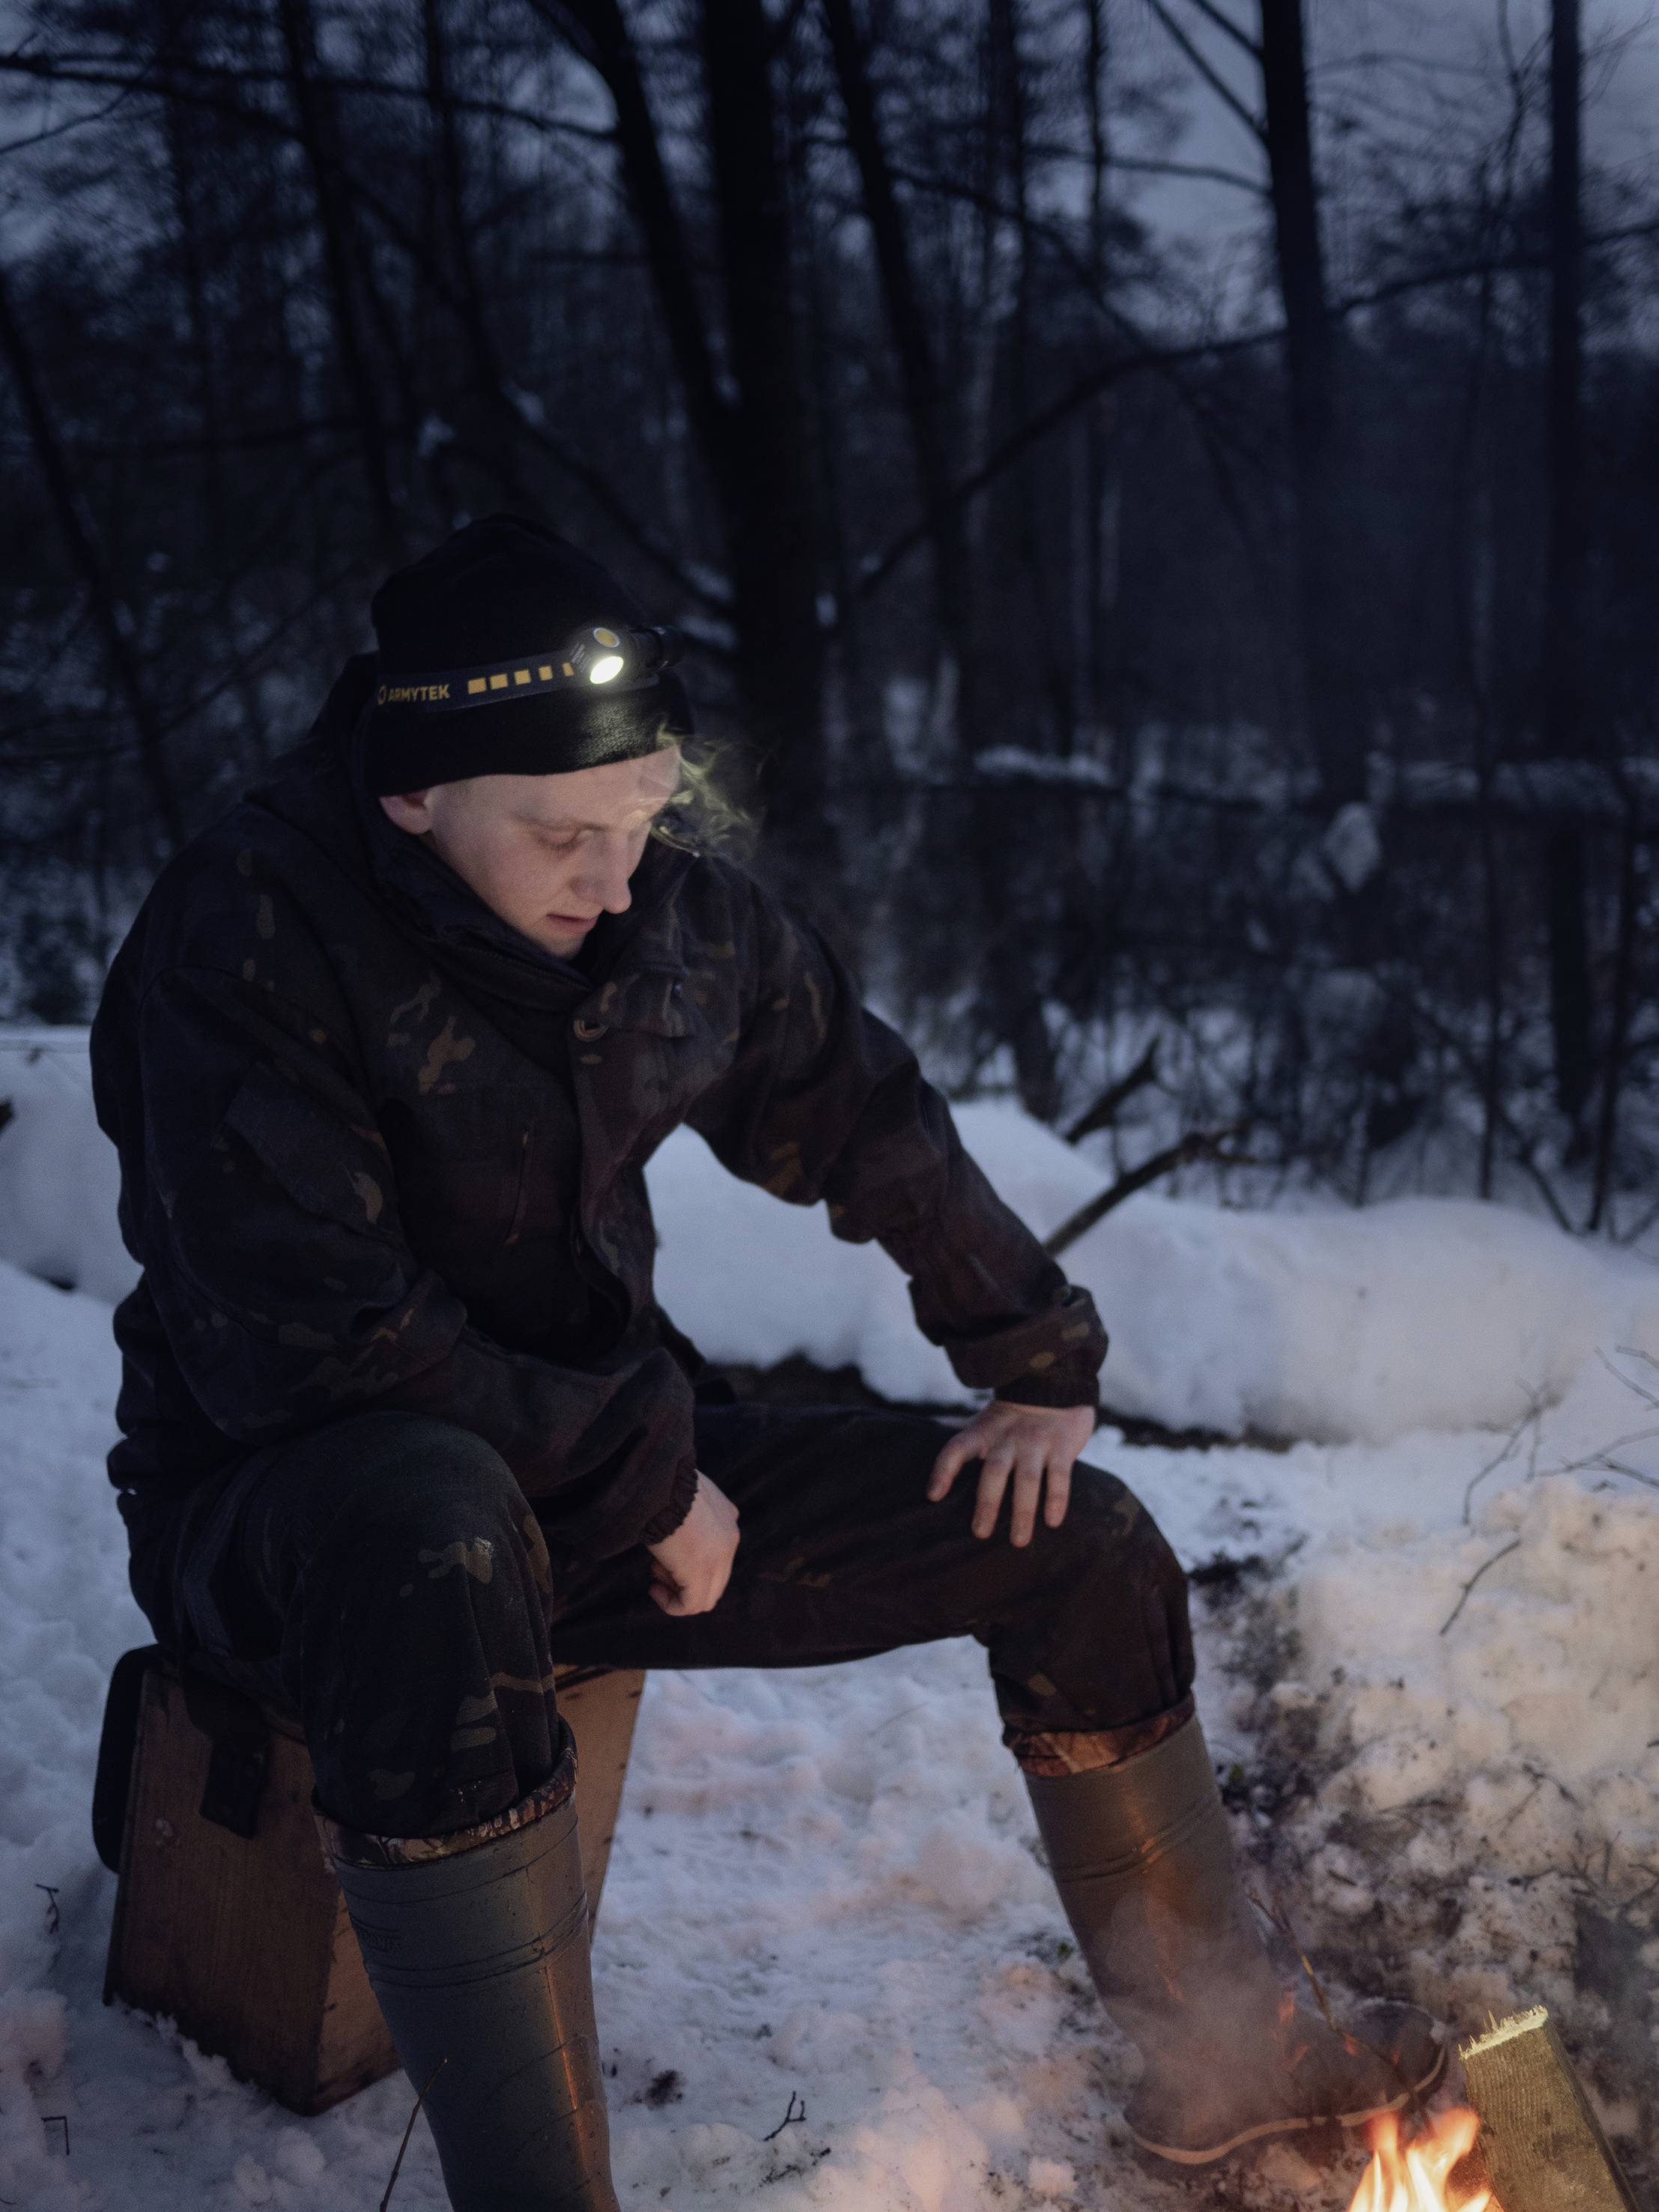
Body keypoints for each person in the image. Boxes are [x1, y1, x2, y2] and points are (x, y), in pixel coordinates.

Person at [91, 515, 1441, 2209]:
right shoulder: (248, 930)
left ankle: (1222, 2073)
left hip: (594, 1478)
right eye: (565, 837)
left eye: (646, 819)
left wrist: (1029, 1343)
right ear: (409, 795)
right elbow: (312, 1338)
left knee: (1076, 1540)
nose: (614, 876)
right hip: (292, 1517)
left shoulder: (663, 915)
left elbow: (853, 1105)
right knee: (433, 1520)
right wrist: (647, 1475)